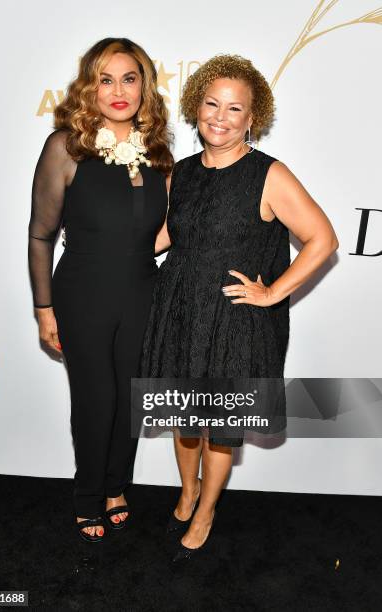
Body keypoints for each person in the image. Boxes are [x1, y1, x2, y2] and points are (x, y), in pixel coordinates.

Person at [141, 54, 339, 561]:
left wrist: (272, 292)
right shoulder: (181, 173)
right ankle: (187, 492)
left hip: (233, 320)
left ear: (253, 117)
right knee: (185, 418)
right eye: (211, 104)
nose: (220, 116)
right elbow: (164, 237)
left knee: (218, 427)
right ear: (196, 107)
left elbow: (322, 238)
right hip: (181, 311)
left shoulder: (269, 175)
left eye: (235, 108)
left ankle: (206, 508)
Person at [28, 37, 173, 541]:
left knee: (131, 397)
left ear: (143, 86)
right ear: (90, 86)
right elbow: (41, 233)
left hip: (141, 290)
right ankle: (87, 495)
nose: (118, 91)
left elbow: (159, 232)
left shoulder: (158, 153)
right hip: (82, 292)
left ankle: (117, 486)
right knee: (96, 398)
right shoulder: (66, 146)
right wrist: (43, 308)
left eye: (129, 79)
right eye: (106, 79)